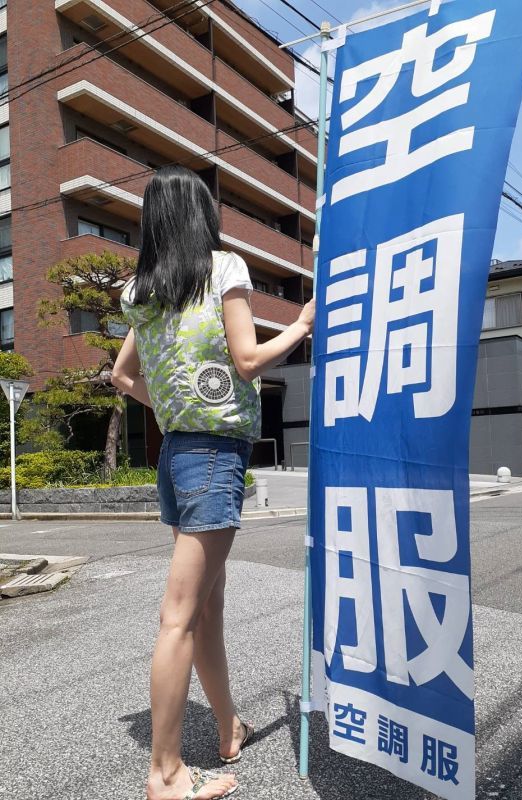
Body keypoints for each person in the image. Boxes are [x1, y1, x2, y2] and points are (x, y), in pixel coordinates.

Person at [113, 164, 315, 800]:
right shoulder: (224, 269)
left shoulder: (139, 293)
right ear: (200, 215)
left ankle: (227, 727)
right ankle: (166, 773)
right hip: (213, 455)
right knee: (180, 617)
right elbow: (249, 360)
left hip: (177, 454)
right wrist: (302, 325)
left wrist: (175, 403)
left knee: (205, 608)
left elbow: (121, 376)